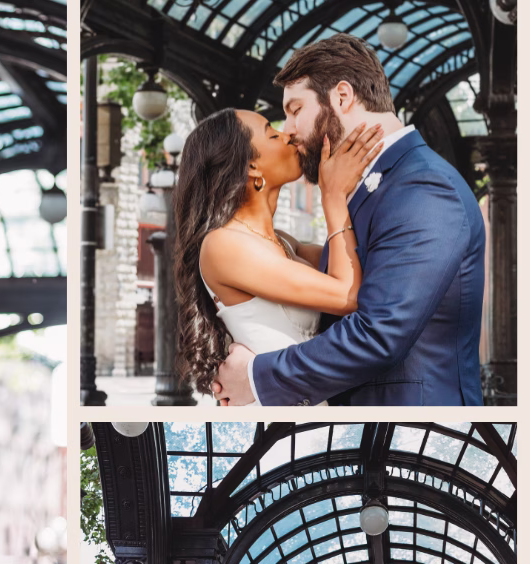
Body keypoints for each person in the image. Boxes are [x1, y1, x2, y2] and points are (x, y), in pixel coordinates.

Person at [212, 33, 486, 406]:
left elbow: (379, 335)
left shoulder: (424, 187)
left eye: (295, 109)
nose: (288, 129)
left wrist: (256, 376)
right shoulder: (369, 187)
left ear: (342, 97)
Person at [175, 106, 383, 399]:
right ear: (251, 167)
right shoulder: (224, 245)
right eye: (272, 134)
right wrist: (333, 196)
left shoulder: (284, 242)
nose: (287, 135)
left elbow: (361, 261)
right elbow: (347, 296)